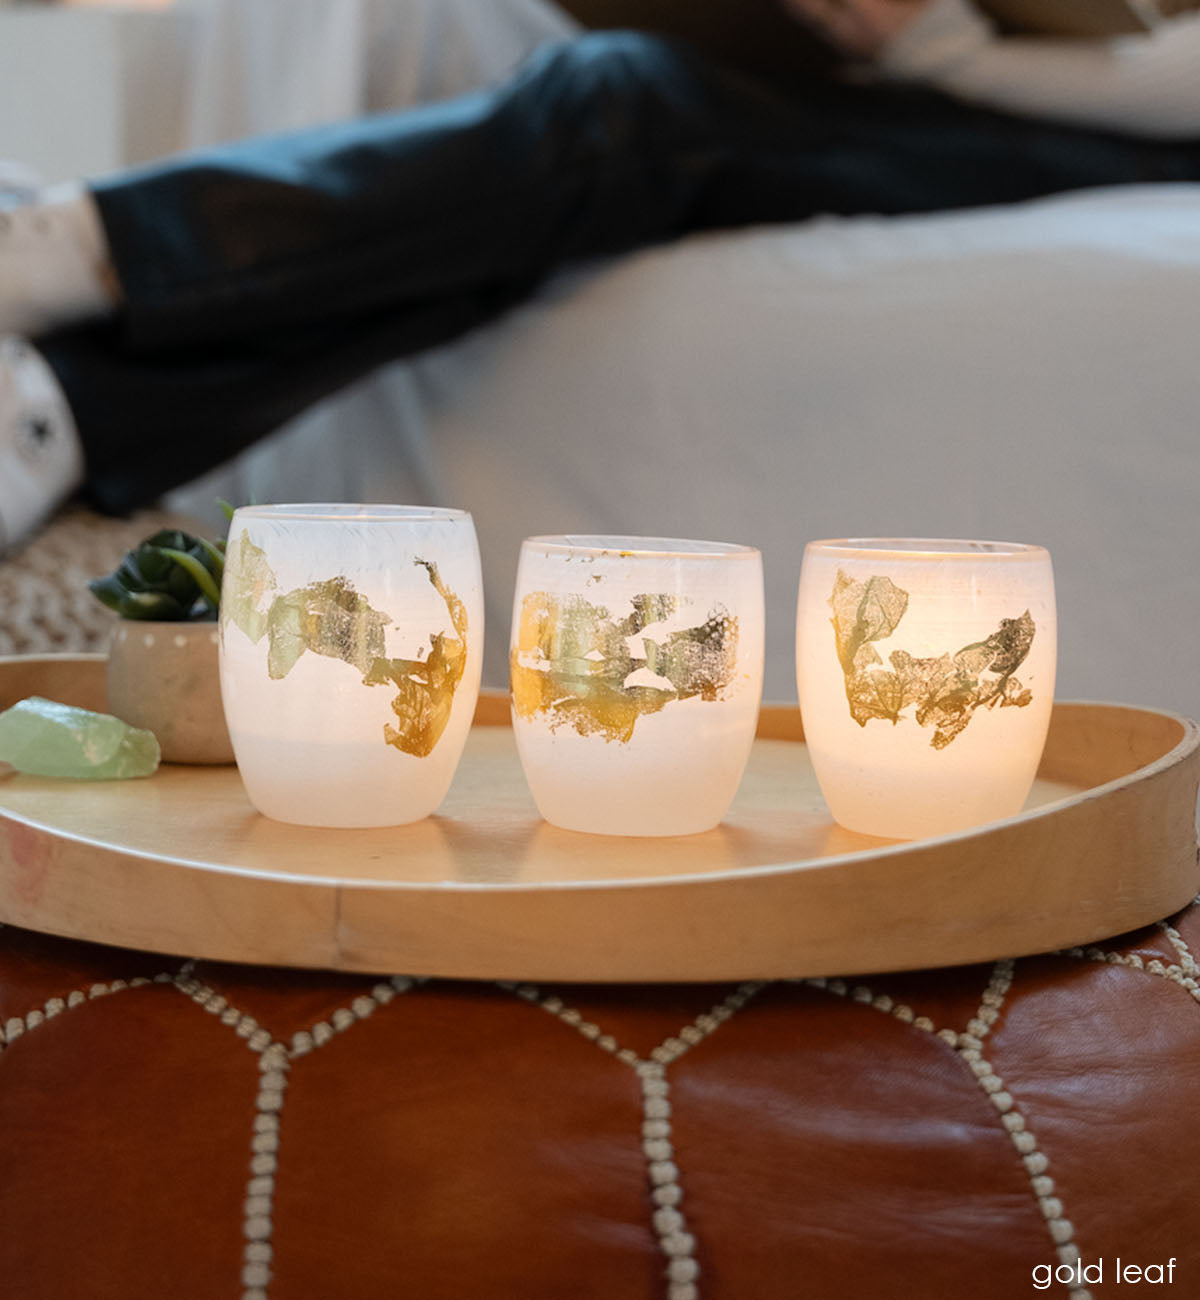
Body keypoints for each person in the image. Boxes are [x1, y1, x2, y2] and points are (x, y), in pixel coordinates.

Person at [1, 0, 1197, 551]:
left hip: (1125, 128)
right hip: (966, 75)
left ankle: (66, 263)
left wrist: (952, 50)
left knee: (623, 111)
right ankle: (56, 406)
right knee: (591, 138)